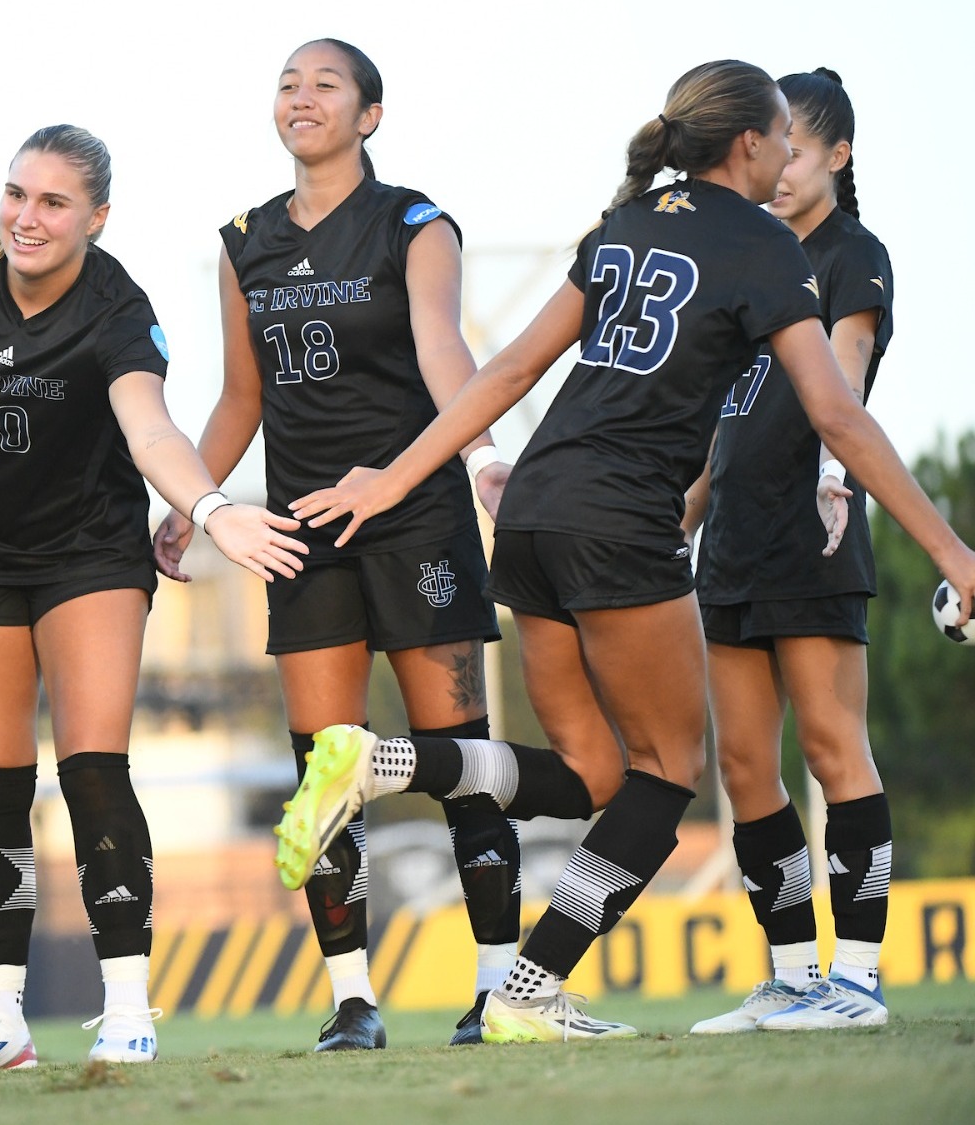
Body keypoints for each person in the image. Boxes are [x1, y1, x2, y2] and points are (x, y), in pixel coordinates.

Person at [278, 59, 975, 1041]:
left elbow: (514, 367)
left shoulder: (622, 226)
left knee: (591, 776)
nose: (783, 154)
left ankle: (378, 760)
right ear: (746, 143)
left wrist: (392, 476)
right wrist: (954, 553)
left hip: (527, 517)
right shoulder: (764, 244)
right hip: (616, 525)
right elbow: (839, 418)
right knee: (661, 776)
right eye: (778, 134)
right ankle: (526, 995)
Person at [0, 124, 310, 1071]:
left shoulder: (119, 309)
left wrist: (209, 506)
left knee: (91, 768)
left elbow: (149, 427)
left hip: (88, 554)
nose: (27, 217)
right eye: (17, 193)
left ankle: (127, 1008)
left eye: (54, 202)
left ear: (96, 218)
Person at [153, 39, 520, 1050]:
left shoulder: (414, 222)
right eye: (285, 83)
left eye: (324, 83)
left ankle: (498, 988)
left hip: (414, 518)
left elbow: (446, 351)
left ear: (369, 115)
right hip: (298, 534)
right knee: (324, 770)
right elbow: (240, 396)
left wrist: (483, 456)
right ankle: (351, 1000)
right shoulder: (241, 240)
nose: (299, 96)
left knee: (465, 760)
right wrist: (193, 500)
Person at [685, 69, 899, 1033]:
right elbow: (713, 421)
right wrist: (674, 518)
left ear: (837, 157)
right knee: (741, 767)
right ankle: (789, 974)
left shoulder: (854, 255)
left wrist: (829, 472)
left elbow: (843, 371)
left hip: (812, 529)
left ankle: (856, 981)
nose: (777, 169)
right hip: (727, 542)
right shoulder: (744, 254)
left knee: (831, 747)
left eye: (797, 150)